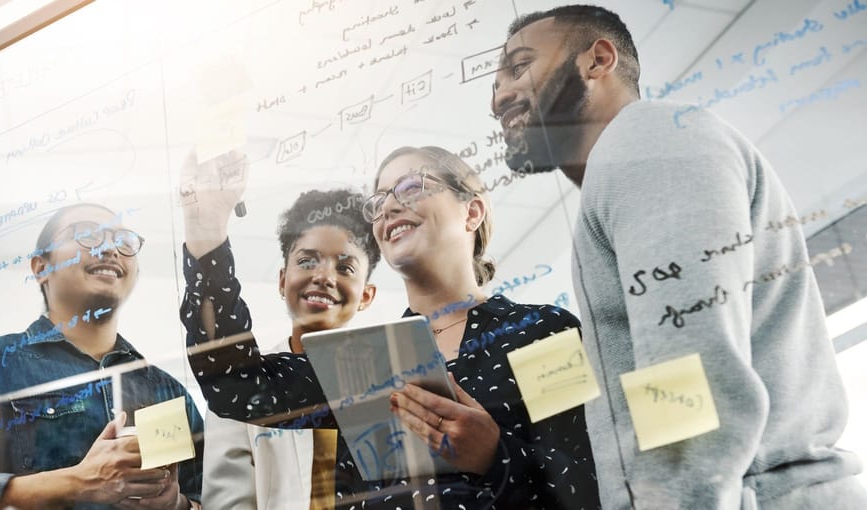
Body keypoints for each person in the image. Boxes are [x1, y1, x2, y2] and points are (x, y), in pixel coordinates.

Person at [491, 5, 867, 509]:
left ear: (597, 60)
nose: (499, 97)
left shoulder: (645, 144)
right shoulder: (630, 163)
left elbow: (689, 381)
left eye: (518, 67)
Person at [180, 148, 600, 509]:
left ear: (471, 211)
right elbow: (235, 386)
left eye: (412, 187)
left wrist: (496, 457)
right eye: (379, 201)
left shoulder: (542, 332)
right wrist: (207, 230)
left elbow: (591, 488)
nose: (387, 208)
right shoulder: (363, 359)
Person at [0, 203, 204, 510]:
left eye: (123, 241)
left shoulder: (169, 393)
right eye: (87, 235)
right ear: (40, 268)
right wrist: (77, 483)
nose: (111, 249)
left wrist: (178, 505)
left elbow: (209, 497)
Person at [199, 185, 381, 510]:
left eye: (345, 268)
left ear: (366, 295)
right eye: (307, 261)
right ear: (282, 280)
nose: (324, 276)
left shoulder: (390, 377)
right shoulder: (239, 383)